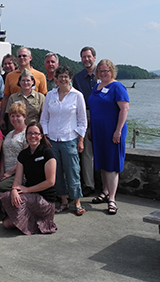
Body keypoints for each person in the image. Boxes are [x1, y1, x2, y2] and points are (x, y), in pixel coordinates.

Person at [41, 65, 87, 216]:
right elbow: (44, 119)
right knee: (57, 172)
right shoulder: (50, 95)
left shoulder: (77, 96)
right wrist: (46, 136)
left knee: (73, 170)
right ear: (56, 79)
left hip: (70, 139)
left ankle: (77, 202)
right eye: (60, 76)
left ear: (70, 78)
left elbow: (82, 120)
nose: (63, 79)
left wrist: (80, 140)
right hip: (52, 140)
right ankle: (64, 201)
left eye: (66, 76)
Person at [0, 121, 57, 235]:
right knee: (8, 200)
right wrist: (15, 189)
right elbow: (18, 179)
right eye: (30, 133)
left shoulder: (48, 153)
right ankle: (29, 220)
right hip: (30, 196)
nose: (32, 136)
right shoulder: (23, 155)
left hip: (45, 199)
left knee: (18, 204)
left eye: (36, 133)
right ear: (26, 136)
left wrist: (27, 190)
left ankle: (38, 222)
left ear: (41, 136)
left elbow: (50, 182)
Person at [88, 59, 129, 215]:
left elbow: (124, 109)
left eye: (106, 71)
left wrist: (118, 130)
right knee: (103, 162)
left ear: (112, 71)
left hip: (112, 129)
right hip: (99, 130)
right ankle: (105, 192)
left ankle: (112, 199)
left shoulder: (117, 87)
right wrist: (91, 128)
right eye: (101, 71)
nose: (103, 74)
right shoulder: (96, 87)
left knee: (111, 164)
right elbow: (93, 110)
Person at [0, 47, 47, 130]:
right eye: (19, 56)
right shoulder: (10, 76)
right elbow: (6, 97)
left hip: (34, 122)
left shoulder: (40, 75)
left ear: (30, 58)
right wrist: (2, 118)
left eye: (24, 56)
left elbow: (44, 98)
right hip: (15, 123)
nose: (22, 58)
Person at [72, 46, 97, 197]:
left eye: (89, 56)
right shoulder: (78, 77)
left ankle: (107, 186)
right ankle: (89, 184)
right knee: (86, 152)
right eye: (83, 57)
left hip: (102, 115)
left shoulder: (102, 74)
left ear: (94, 57)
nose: (86, 59)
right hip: (84, 115)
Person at [0, 102, 27, 193]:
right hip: (6, 172)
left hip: (20, 173)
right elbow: (4, 154)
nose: (15, 119)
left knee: (0, 187)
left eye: (18, 116)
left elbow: (25, 158)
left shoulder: (27, 134)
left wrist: (9, 173)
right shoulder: (9, 134)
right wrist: (2, 173)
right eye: (12, 116)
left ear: (24, 117)